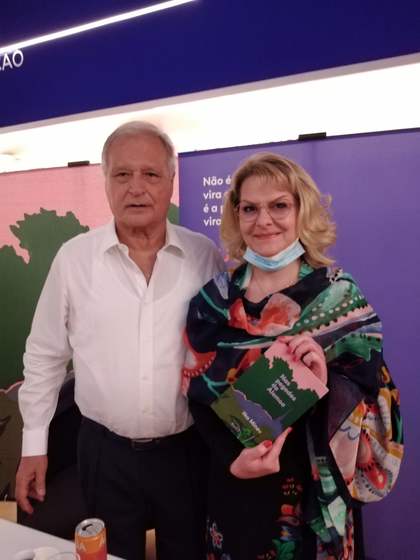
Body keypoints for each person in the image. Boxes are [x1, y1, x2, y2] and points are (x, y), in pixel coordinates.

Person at [15, 121, 225, 560]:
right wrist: (33, 446)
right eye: (122, 174)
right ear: (105, 182)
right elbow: (45, 354)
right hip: (104, 453)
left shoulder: (204, 255)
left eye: (151, 174)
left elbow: (227, 348)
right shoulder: (74, 259)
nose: (136, 188)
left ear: (171, 181)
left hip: (186, 450)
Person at [182, 152, 404, 559]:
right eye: (250, 208)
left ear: (302, 210)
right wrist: (234, 461)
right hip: (238, 487)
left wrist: (325, 381)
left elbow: (375, 393)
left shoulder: (340, 298)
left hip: (316, 499)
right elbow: (197, 398)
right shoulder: (212, 302)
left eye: (279, 205)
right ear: (236, 215)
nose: (264, 220)